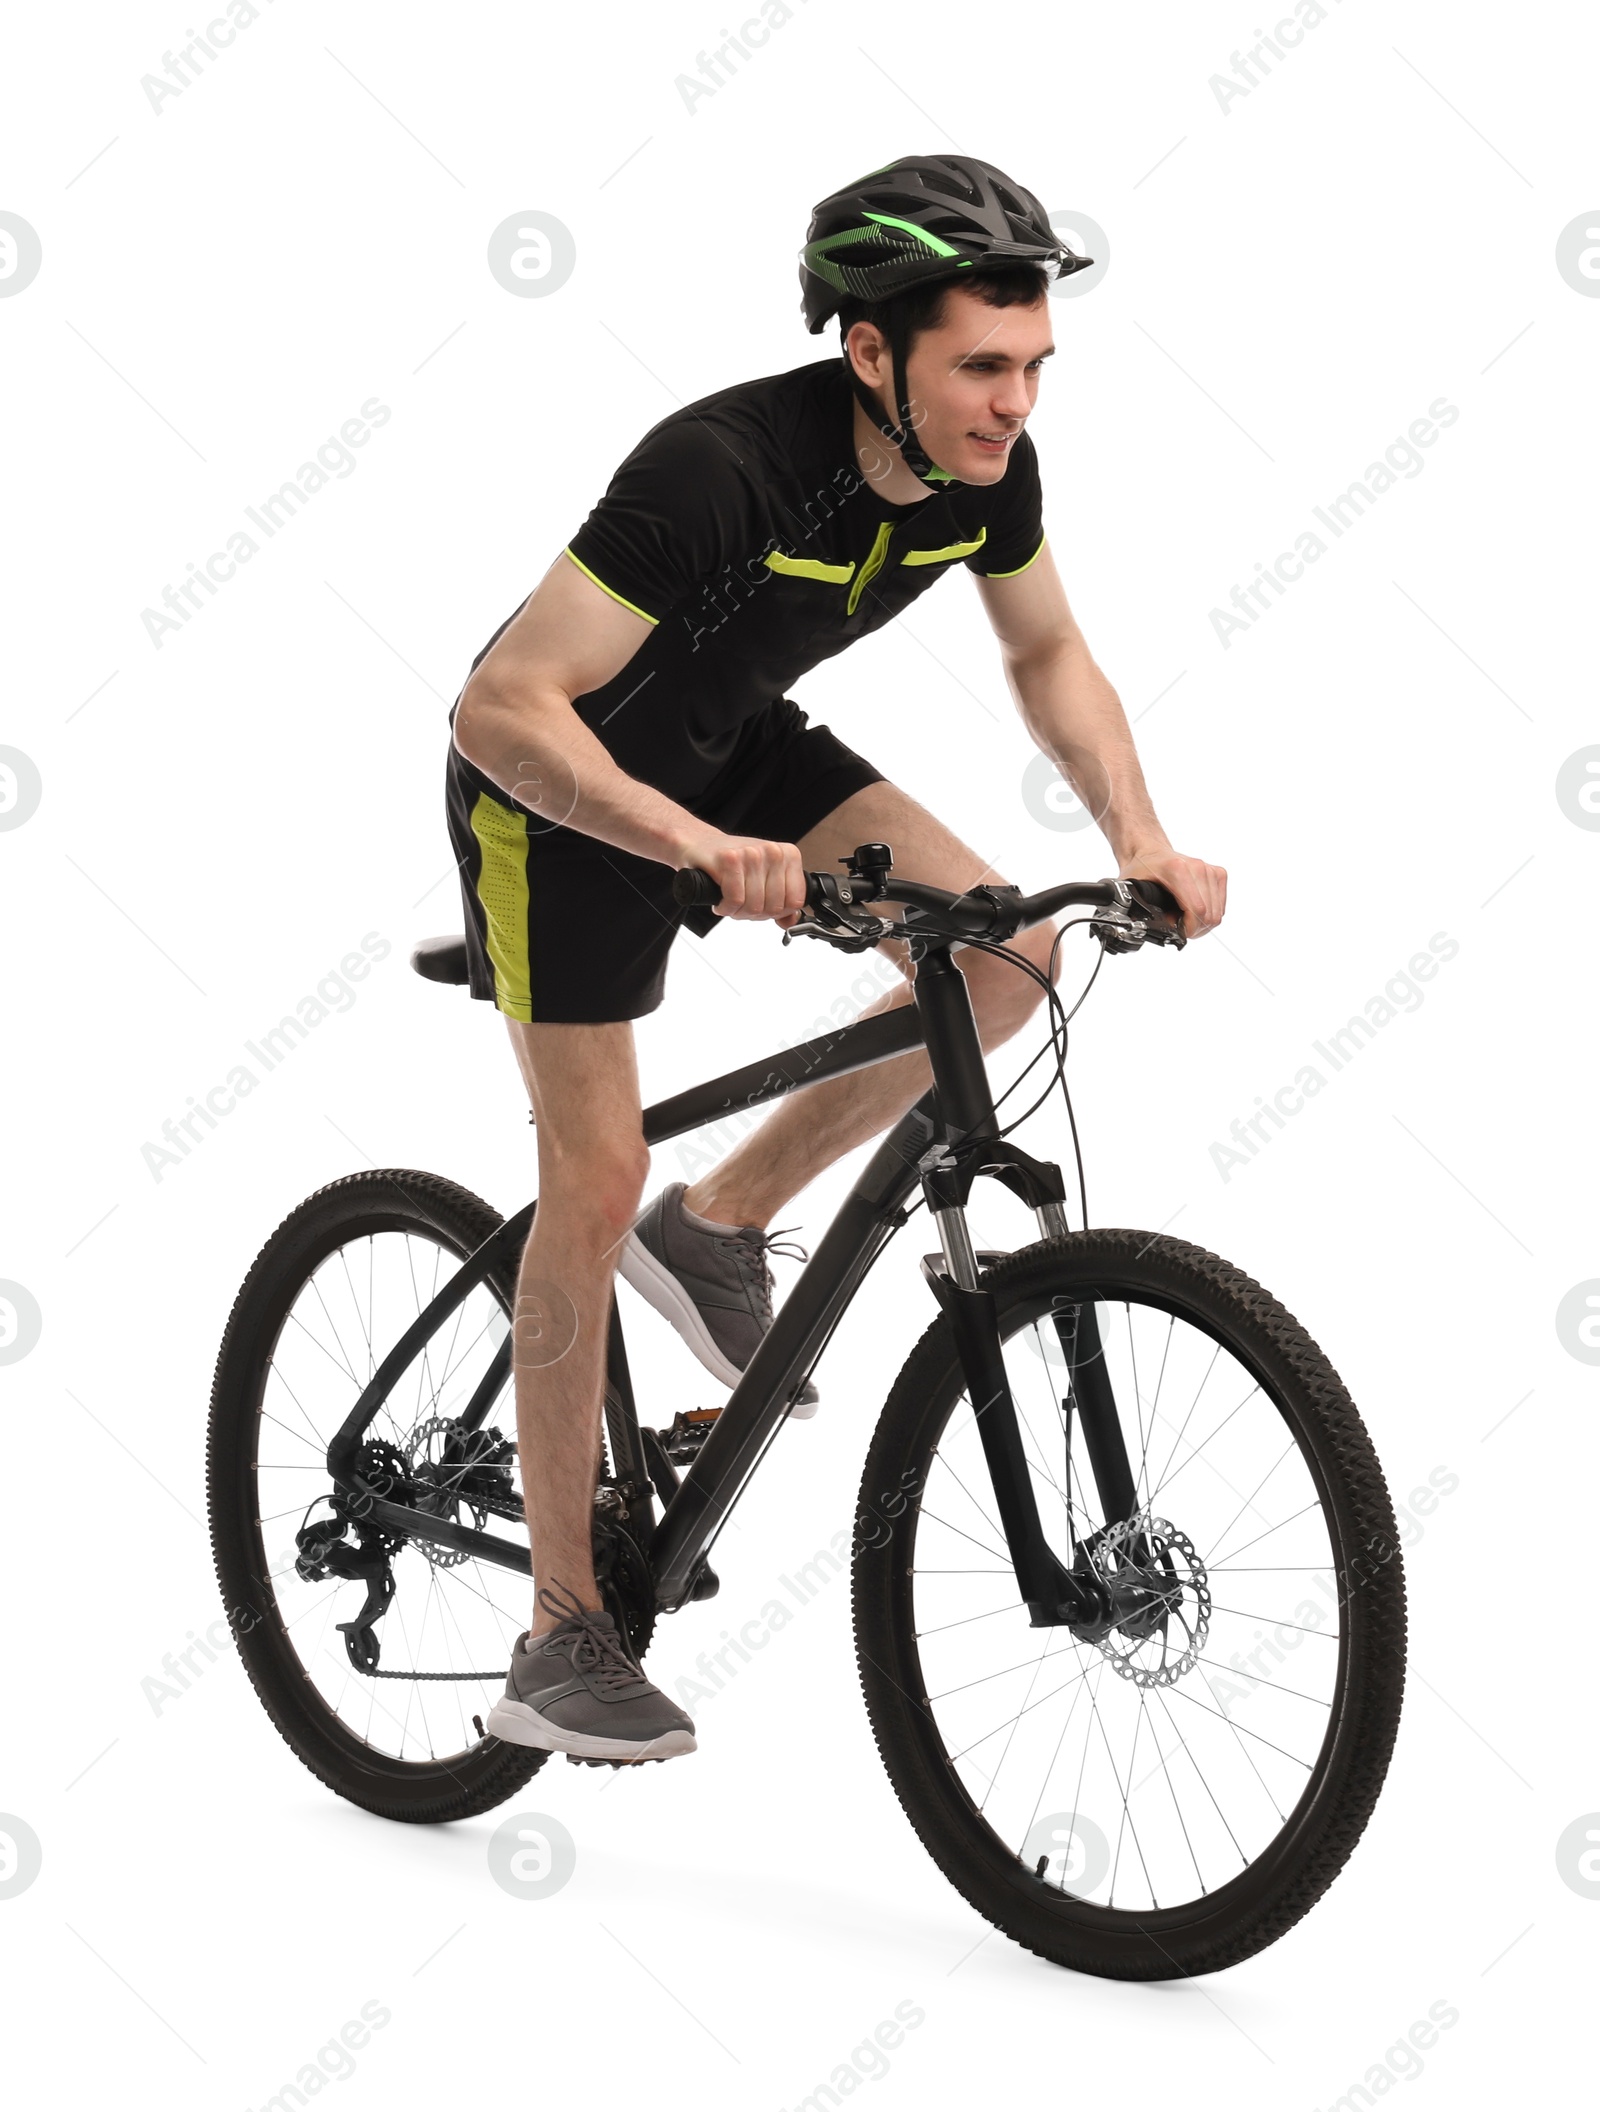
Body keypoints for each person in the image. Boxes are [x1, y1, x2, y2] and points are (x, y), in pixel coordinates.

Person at [447, 154, 1227, 1765]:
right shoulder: (718, 472)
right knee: (587, 1179)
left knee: (1011, 954)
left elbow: (1047, 648)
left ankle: (720, 1226)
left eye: (1032, 369)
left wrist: (1140, 838)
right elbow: (500, 706)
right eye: (980, 368)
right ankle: (561, 1630)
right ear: (871, 352)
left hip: (735, 751)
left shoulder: (985, 474)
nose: (1013, 405)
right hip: (563, 792)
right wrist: (683, 845)